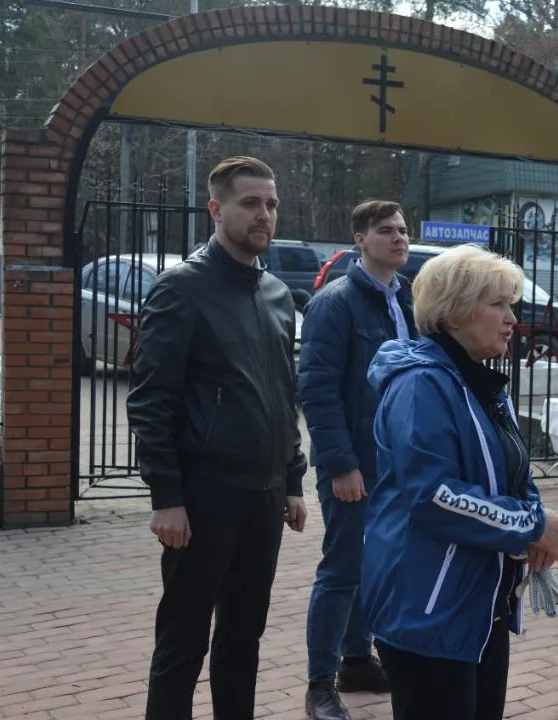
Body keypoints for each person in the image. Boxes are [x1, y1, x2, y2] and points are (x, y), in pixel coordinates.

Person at [360, 243, 558, 720]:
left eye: (511, 304)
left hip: (476, 607)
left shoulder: (477, 382)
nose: (512, 319)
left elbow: (513, 470)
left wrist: (533, 517)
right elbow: (434, 494)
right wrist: (531, 526)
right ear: (454, 313)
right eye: (497, 304)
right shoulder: (422, 384)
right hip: (428, 611)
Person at [127, 155, 309, 720]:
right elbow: (151, 399)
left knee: (243, 637)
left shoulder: (277, 293)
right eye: (250, 203)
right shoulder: (181, 288)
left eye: (271, 204)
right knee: (183, 640)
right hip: (204, 494)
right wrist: (167, 497)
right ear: (216, 209)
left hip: (264, 494)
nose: (264, 215)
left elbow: (283, 391)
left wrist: (294, 479)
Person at [298, 200, 417, 719]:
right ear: (359, 240)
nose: (398, 239)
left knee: (379, 565)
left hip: (398, 461)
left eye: (403, 230)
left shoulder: (407, 298)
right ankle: (321, 684)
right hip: (353, 462)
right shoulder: (336, 302)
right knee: (342, 570)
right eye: (386, 231)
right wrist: (340, 463)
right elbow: (317, 390)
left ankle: (357, 659)